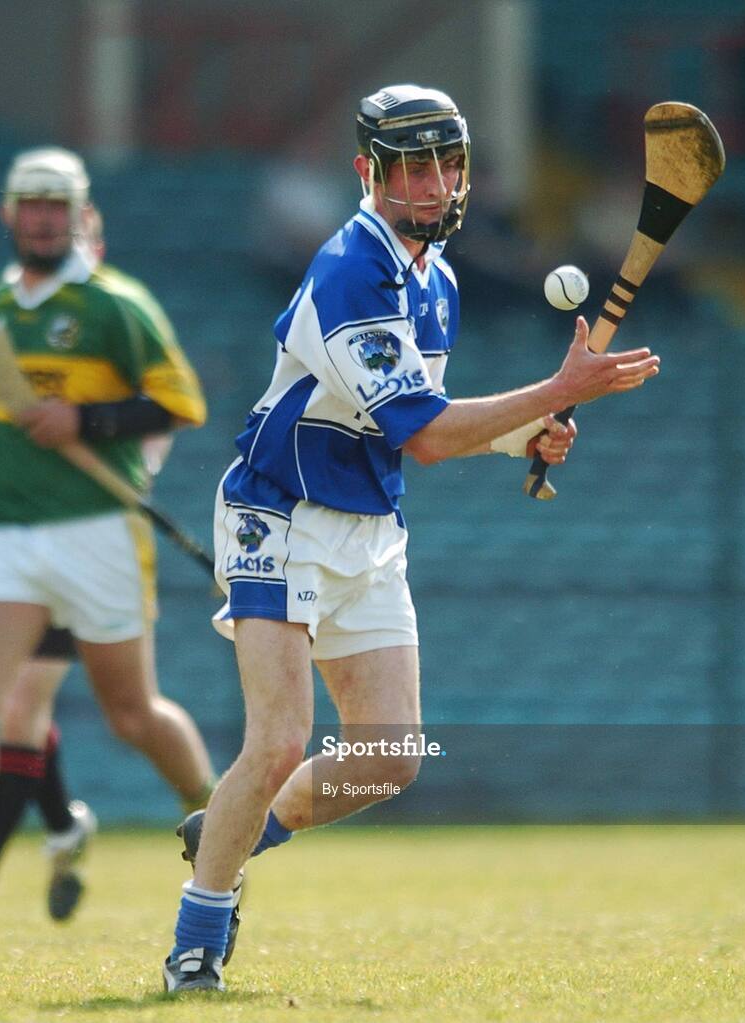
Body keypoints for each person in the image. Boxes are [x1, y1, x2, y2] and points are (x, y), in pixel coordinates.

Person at [160, 84, 660, 993]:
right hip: (279, 514)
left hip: (369, 528)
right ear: (368, 172)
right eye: (410, 165)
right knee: (277, 739)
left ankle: (239, 830)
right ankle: (199, 929)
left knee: (390, 757)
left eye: (446, 161)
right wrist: (557, 392)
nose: (433, 182)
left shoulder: (439, 280)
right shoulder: (352, 267)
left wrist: (522, 434)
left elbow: (423, 428)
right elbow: (424, 432)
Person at [0, 146, 216, 925]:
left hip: (96, 530)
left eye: (54, 204)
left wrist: (87, 420)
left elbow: (181, 402)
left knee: (131, 713)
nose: (40, 217)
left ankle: (219, 815)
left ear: (79, 214)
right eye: (28, 203)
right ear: (7, 213)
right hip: (4, 527)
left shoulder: (116, 305)